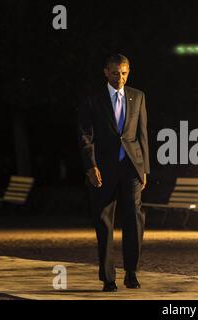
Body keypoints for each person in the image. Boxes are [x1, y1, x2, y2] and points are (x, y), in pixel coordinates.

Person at [77, 54, 150, 292]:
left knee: (134, 219)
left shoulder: (138, 96)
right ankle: (108, 278)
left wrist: (144, 169)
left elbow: (142, 135)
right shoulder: (93, 100)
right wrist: (91, 165)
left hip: (131, 168)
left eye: (124, 73)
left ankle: (131, 273)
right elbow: (85, 135)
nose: (120, 77)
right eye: (116, 73)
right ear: (106, 72)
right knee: (104, 222)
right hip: (103, 169)